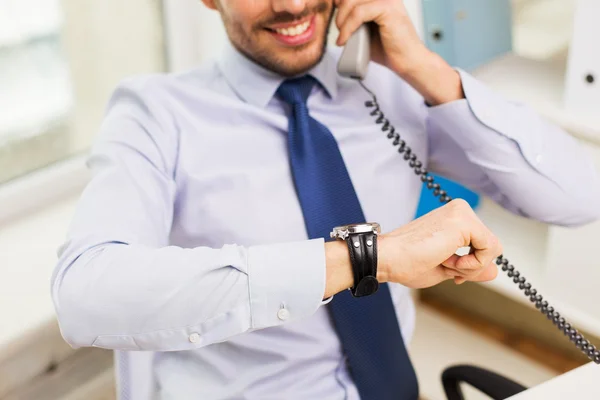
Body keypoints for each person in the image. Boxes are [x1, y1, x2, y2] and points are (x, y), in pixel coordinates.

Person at [50, 0, 600, 399]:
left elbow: (578, 198)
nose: (292, 5)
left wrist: (424, 69)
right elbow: (85, 294)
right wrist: (365, 258)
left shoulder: (388, 88)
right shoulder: (156, 113)